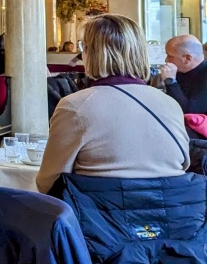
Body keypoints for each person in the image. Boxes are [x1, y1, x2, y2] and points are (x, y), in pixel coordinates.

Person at [36, 14, 189, 194]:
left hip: (99, 217)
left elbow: (49, 181)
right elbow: (181, 165)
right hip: (172, 215)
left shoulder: (75, 106)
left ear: (90, 53)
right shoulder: (170, 104)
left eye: (82, 46)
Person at [159, 34, 207, 114]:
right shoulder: (179, 71)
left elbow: (190, 111)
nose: (166, 60)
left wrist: (171, 82)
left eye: (170, 56)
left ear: (187, 58)